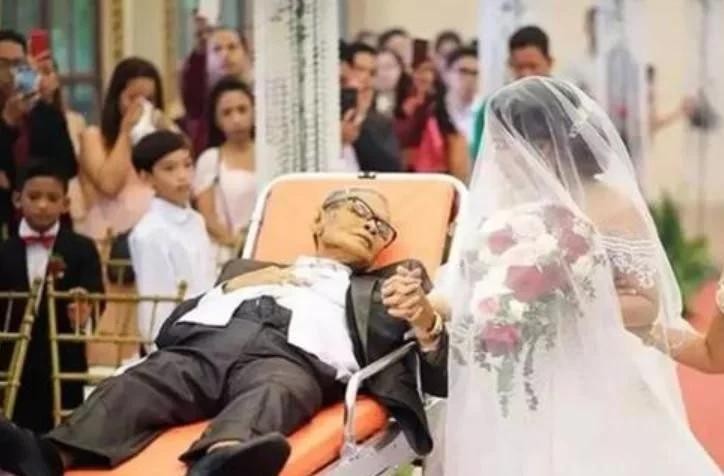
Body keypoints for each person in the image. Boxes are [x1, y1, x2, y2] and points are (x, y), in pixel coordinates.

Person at [0, 187, 447, 476]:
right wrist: (234, 287)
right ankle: (48, 455)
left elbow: (439, 376)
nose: (371, 225)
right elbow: (169, 332)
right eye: (360, 210)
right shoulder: (244, 269)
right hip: (207, 344)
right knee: (140, 382)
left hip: (292, 357)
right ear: (319, 220)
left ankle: (223, 460)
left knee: (276, 392)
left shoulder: (389, 287)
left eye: (381, 226)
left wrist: (426, 322)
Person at [440, 76, 723, 475]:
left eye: (503, 145)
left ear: (542, 148)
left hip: (591, 373)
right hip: (521, 371)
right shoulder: (505, 204)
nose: (496, 157)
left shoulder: (612, 204)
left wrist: (559, 301)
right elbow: (472, 282)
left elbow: (645, 304)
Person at [0, 160, 103, 433]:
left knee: (63, 429)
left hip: (63, 358)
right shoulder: (4, 250)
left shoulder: (82, 249)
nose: (43, 205)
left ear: (66, 204)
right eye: (34, 197)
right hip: (10, 361)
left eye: (52, 198)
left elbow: (96, 295)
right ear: (17, 199)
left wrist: (84, 313)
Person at [129, 131, 215, 344]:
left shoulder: (196, 221)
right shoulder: (149, 233)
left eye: (187, 165)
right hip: (179, 344)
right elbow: (156, 308)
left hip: (211, 330)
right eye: (169, 168)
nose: (183, 175)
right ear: (146, 177)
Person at [72, 57, 166, 242]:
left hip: (154, 238)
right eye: (133, 98)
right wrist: (126, 132)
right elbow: (109, 185)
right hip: (108, 241)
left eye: (149, 100)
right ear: (117, 98)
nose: (141, 107)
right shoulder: (93, 137)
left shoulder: (157, 140)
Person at [0, 29, 76, 237]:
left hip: (45, 221)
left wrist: (47, 102)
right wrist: (7, 124)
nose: (10, 73)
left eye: (18, 64)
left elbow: (68, 166)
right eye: (3, 64)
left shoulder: (41, 109)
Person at [193, 77, 256, 270]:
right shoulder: (210, 159)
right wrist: (236, 242)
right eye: (227, 113)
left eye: (242, 110)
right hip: (226, 255)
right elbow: (207, 216)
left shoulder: (271, 154)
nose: (236, 119)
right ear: (217, 120)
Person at [469, 25, 553, 161]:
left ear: (549, 62)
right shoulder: (493, 108)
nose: (526, 74)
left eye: (533, 66)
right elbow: (481, 159)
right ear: (510, 65)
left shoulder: (567, 105)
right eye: (519, 67)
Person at [180, 18, 252, 156]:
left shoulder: (259, 94)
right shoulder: (201, 100)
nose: (225, 55)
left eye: (232, 47)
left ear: (245, 52)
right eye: (217, 49)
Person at [394, 53, 470, 182]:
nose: (423, 76)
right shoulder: (398, 113)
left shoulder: (442, 115)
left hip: (438, 179)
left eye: (429, 71)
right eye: (418, 71)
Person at [340, 42, 403, 172]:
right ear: (344, 70)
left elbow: (391, 169)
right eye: (360, 69)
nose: (367, 78)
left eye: (372, 73)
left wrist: (360, 118)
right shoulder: (325, 112)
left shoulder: (379, 123)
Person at [443, 47, 480, 145]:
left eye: (475, 73)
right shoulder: (432, 111)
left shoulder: (485, 114)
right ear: (446, 74)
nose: (469, 78)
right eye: (463, 71)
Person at [374, 48, 407, 118]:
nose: (382, 73)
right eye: (376, 68)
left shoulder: (411, 100)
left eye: (389, 66)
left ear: (401, 69)